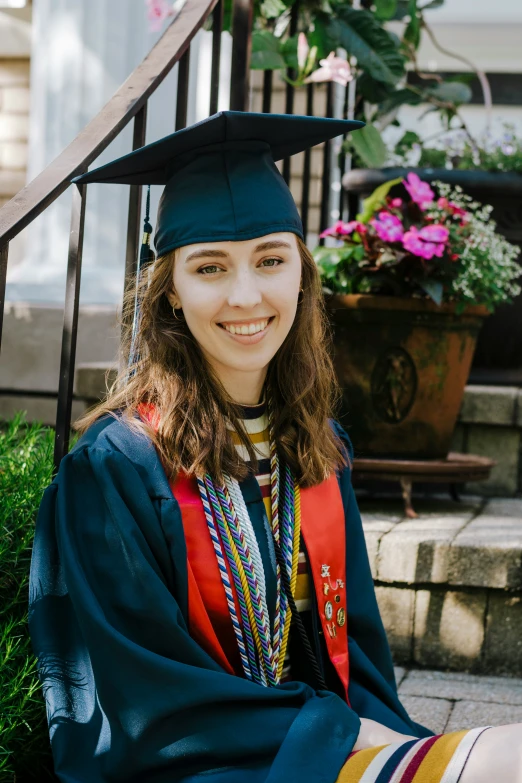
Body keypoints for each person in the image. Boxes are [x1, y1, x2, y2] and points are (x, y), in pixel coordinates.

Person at [28, 111, 521, 783]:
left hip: (326, 745)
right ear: (170, 290)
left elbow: (359, 660)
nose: (246, 294)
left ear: (301, 272)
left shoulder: (317, 447)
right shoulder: (115, 470)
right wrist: (342, 733)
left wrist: (368, 730)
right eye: (210, 267)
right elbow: (145, 698)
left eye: (270, 258)